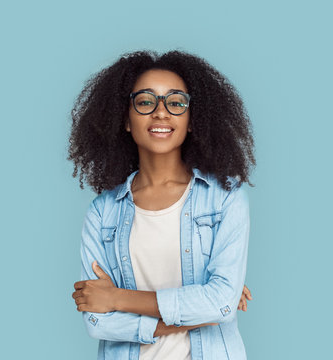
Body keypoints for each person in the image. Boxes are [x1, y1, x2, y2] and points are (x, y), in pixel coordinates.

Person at [69, 50, 256, 360]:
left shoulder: (225, 197)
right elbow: (97, 320)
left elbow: (220, 301)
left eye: (176, 102)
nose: (160, 112)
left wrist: (117, 298)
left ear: (192, 119)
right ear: (125, 120)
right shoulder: (103, 212)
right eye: (145, 102)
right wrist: (200, 308)